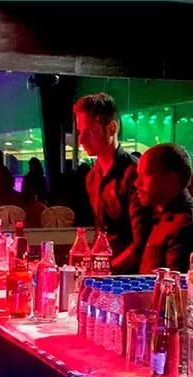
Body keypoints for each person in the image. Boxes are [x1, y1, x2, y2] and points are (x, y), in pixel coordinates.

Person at [74, 93, 150, 273]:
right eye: (80, 132)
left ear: (111, 128)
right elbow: (101, 234)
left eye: (89, 131)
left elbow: (141, 243)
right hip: (105, 271)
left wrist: (106, 271)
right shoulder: (92, 177)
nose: (81, 140)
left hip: (129, 277)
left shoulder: (134, 174)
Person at [135, 144, 193, 273]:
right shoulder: (167, 217)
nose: (137, 183)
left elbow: (178, 284)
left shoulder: (187, 228)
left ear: (171, 179)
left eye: (144, 175)